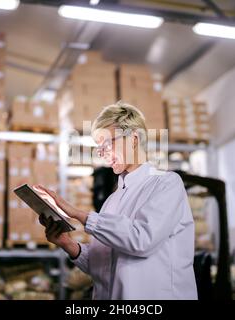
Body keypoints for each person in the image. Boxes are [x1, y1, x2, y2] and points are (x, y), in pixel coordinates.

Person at [35, 102, 198, 300]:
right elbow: (103, 266)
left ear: (134, 138)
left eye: (107, 143)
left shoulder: (166, 184)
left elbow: (142, 240)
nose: (102, 153)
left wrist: (78, 214)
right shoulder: (112, 200)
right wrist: (68, 244)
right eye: (99, 147)